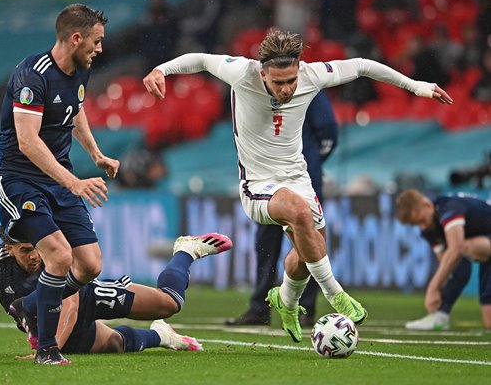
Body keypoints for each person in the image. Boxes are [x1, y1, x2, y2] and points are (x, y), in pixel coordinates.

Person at [143, 29, 453, 343]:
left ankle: (286, 300)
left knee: (307, 253)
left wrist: (417, 86)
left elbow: (361, 65)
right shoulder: (241, 72)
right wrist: (161, 70)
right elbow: (200, 59)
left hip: (298, 178)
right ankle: (336, 294)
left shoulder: (311, 75)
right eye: (278, 83)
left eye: (291, 81)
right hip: (257, 184)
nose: (287, 88)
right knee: (298, 211)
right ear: (262, 72)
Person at [0, 4, 120, 364]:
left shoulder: (80, 69)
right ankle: (46, 350)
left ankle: (29, 304)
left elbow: (75, 109)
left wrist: (95, 154)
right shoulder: (33, 75)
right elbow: (27, 141)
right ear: (76, 38)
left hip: (57, 179)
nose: (99, 49)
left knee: (90, 264)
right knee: (60, 256)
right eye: (96, 41)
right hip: (18, 181)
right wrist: (74, 181)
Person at [0, 227, 233, 360]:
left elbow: (67, 302)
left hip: (86, 298)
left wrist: (48, 349)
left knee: (169, 303)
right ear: (8, 249)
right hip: (52, 329)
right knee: (116, 344)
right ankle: (163, 336)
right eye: (25, 251)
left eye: (36, 248)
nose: (34, 257)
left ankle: (186, 250)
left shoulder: (54, 253)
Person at [226, 90, 338, 326]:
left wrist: (309, 164)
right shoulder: (259, 89)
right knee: (266, 243)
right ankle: (260, 307)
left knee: (307, 240)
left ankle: (305, 308)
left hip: (301, 179)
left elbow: (328, 132)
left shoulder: (308, 86)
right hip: (267, 182)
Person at [395, 189, 491, 330]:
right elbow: (448, 266)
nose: (422, 226)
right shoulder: (428, 229)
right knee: (489, 322)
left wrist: (433, 288)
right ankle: (441, 315)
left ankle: (441, 314)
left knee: (459, 248)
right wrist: (440, 292)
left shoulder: (450, 208)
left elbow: (456, 249)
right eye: (417, 224)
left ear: (427, 204)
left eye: (422, 220)